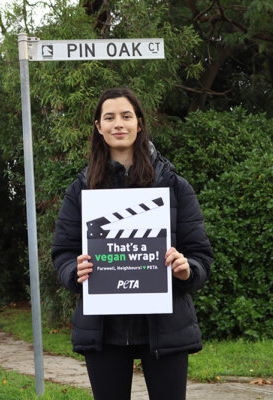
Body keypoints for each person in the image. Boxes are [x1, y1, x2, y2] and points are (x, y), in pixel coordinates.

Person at [52, 88, 214, 400]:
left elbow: (200, 255)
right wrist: (75, 271)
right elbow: (62, 252)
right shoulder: (81, 189)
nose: (118, 124)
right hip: (104, 331)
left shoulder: (174, 185)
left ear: (139, 123)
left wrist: (187, 269)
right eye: (109, 117)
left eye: (126, 116)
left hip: (165, 326)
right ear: (98, 127)